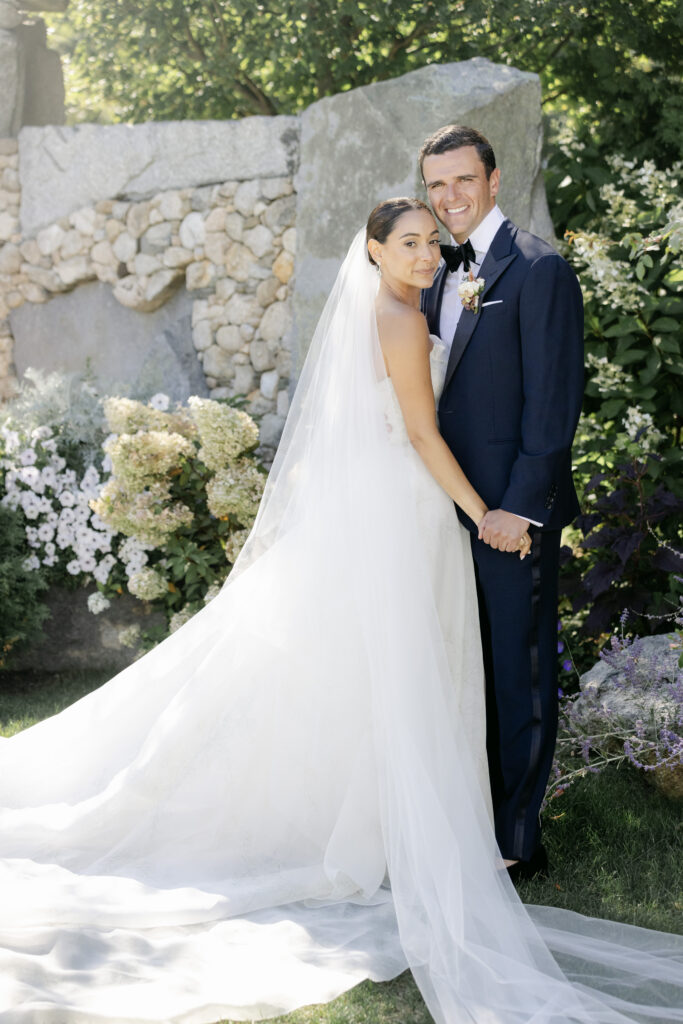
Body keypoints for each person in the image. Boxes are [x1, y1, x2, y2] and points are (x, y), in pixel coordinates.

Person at [0, 201, 681, 1024]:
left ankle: (370, 817)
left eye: (430, 240)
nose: (426, 254)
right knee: (400, 663)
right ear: (373, 251)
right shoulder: (400, 319)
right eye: (408, 243)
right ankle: (383, 825)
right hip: (406, 507)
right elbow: (422, 435)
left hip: (380, 503)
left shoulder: (393, 309)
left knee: (369, 667)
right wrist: (482, 514)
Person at [420, 124, 585, 881]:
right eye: (436, 184)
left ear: (493, 180)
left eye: (463, 179)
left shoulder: (539, 268)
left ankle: (518, 840)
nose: (449, 196)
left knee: (517, 669)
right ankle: (464, 818)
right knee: (459, 667)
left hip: (508, 516)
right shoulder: (432, 272)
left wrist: (520, 508)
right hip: (438, 508)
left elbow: (552, 403)